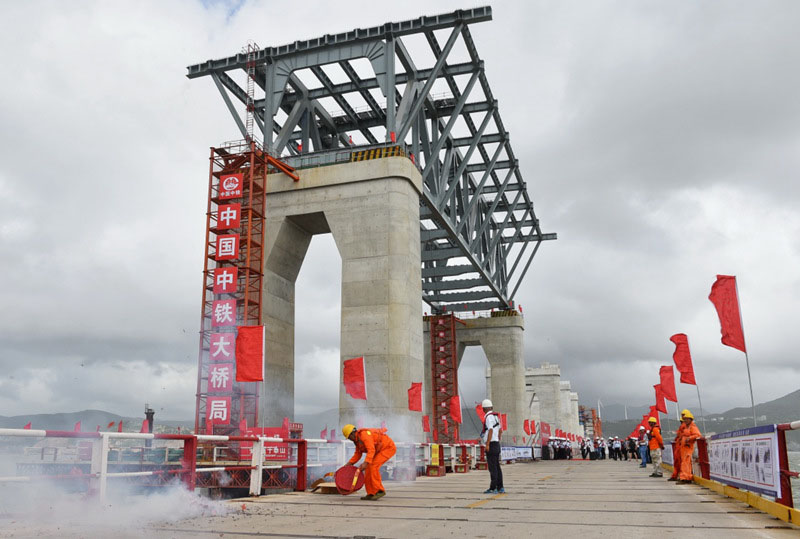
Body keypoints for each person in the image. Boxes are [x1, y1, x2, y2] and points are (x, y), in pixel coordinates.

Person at [342, 423, 397, 500]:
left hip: (388, 448)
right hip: (379, 450)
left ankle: (379, 490)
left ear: (352, 433)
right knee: (368, 469)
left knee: (373, 466)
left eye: (349, 437)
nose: (350, 439)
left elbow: (371, 450)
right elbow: (358, 454)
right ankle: (371, 493)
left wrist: (366, 462)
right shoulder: (357, 440)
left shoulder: (364, 435)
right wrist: (349, 464)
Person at [480, 399, 504, 494]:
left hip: (492, 444)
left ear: (484, 409)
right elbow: (500, 430)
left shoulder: (488, 417)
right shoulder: (496, 417)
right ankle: (500, 487)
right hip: (496, 443)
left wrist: (488, 443)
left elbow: (490, 430)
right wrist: (498, 438)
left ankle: (493, 488)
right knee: (497, 467)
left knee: (492, 467)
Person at [678, 409, 703, 484]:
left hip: (688, 447)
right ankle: (685, 477)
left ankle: (685, 478)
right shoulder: (686, 427)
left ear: (690, 419)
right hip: (684, 447)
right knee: (684, 463)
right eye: (684, 419)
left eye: (686, 419)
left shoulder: (692, 427)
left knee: (686, 463)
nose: (685, 420)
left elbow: (698, 435)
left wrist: (689, 438)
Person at [669, 410, 688, 482]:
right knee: (678, 462)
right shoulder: (682, 428)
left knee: (680, 462)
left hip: (681, 447)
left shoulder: (686, 428)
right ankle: (677, 476)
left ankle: (680, 476)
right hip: (678, 447)